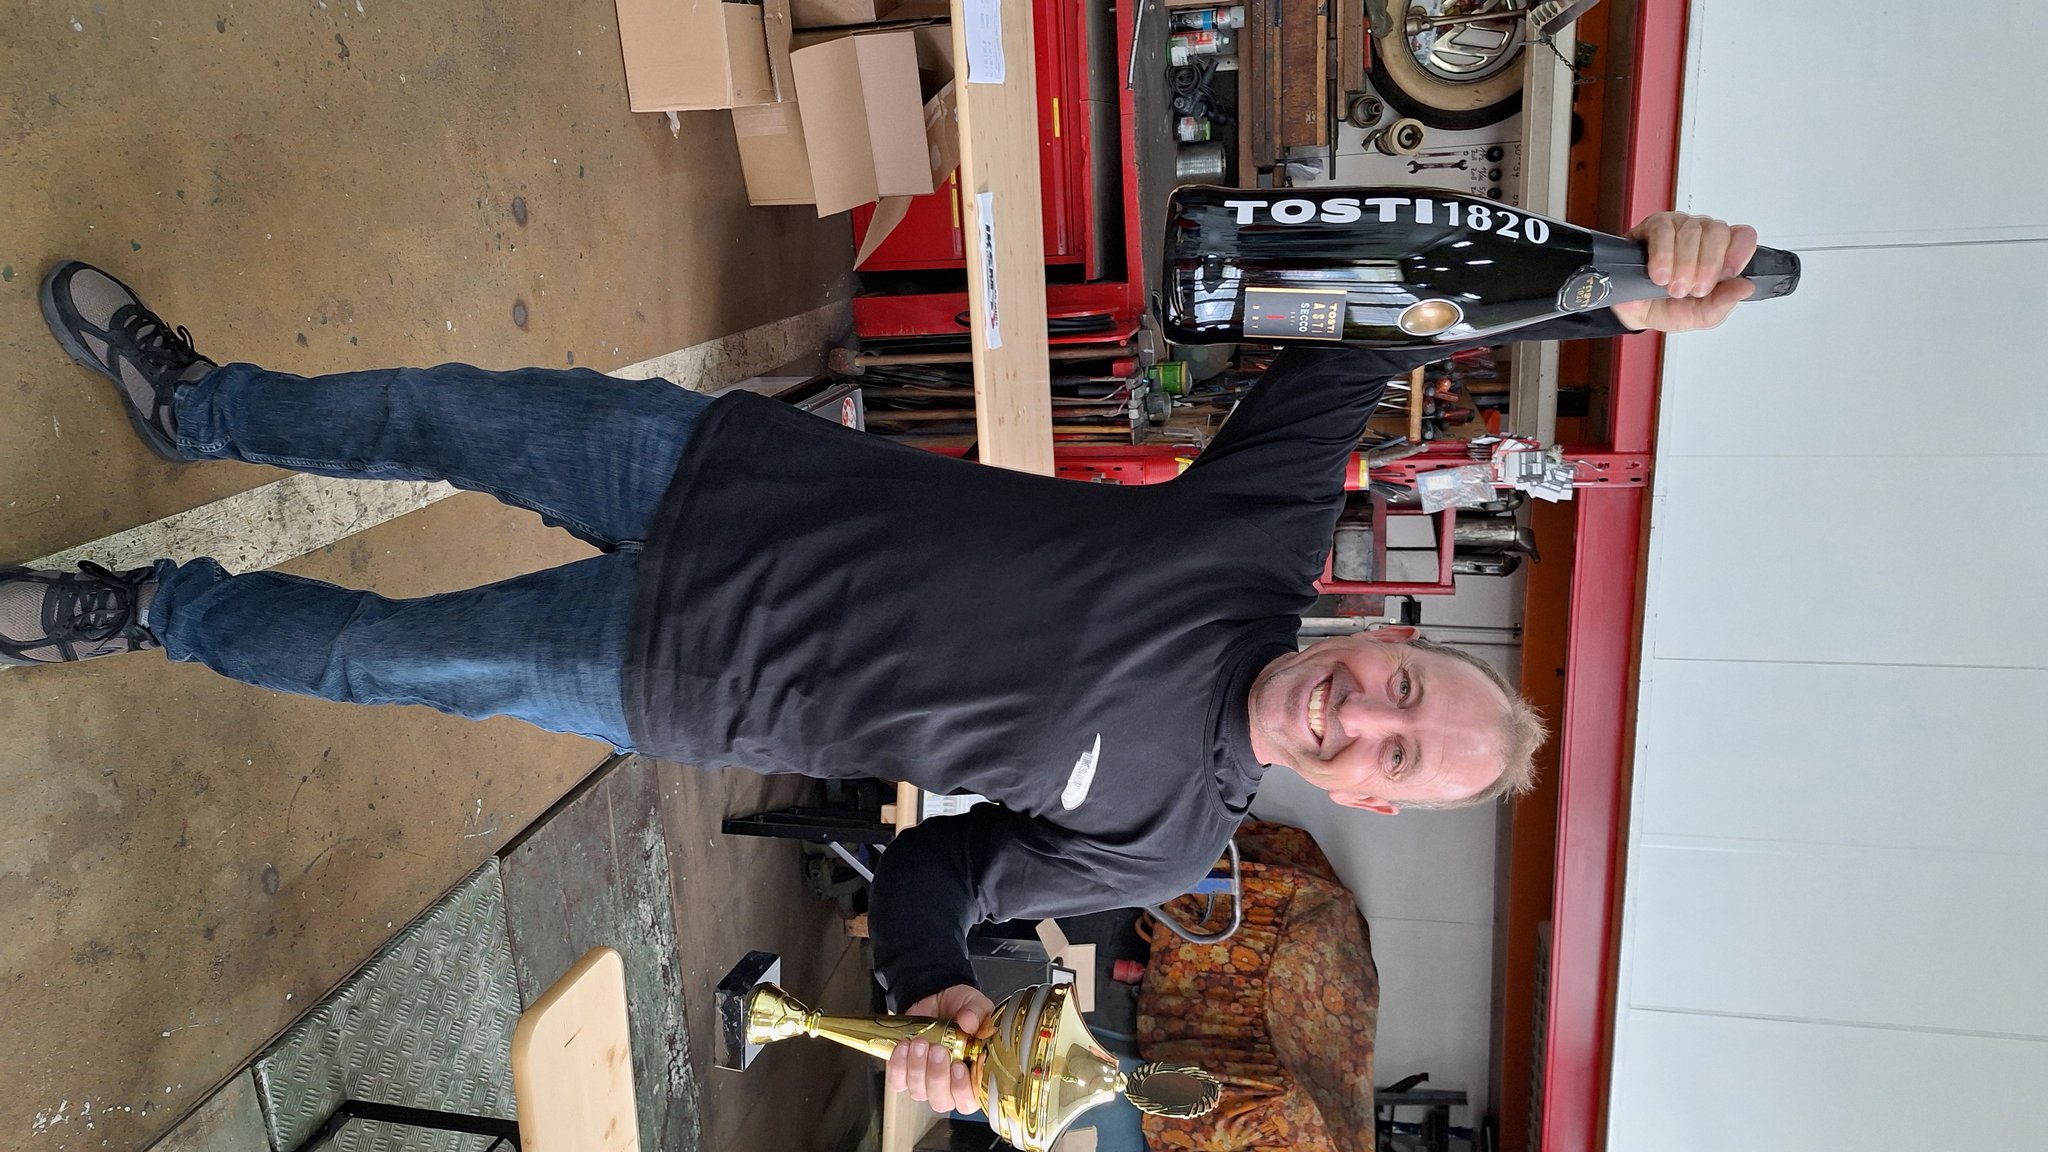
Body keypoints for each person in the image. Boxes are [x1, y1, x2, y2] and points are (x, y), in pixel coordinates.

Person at [4, 211, 1760, 1115]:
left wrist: (940, 992)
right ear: (1384, 638)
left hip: (676, 675)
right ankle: (202, 407)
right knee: (438, 411)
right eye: (1404, 692)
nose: (1368, 721)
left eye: (1395, 758)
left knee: (385, 662)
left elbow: (939, 873)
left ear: (1365, 796)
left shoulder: (1162, 844)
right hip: (721, 474)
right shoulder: (1258, 545)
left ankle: (146, 614)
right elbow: (1380, 322)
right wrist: (1617, 287)